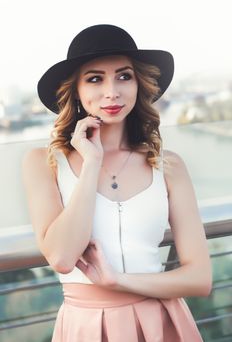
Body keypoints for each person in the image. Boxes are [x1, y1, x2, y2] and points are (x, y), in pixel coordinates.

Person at [22, 24, 212, 341]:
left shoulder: (169, 165)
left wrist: (118, 281)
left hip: (161, 323)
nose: (112, 91)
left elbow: (199, 278)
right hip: (85, 328)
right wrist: (92, 161)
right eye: (95, 79)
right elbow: (61, 257)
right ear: (77, 90)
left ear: (139, 83)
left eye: (124, 76)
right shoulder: (44, 163)